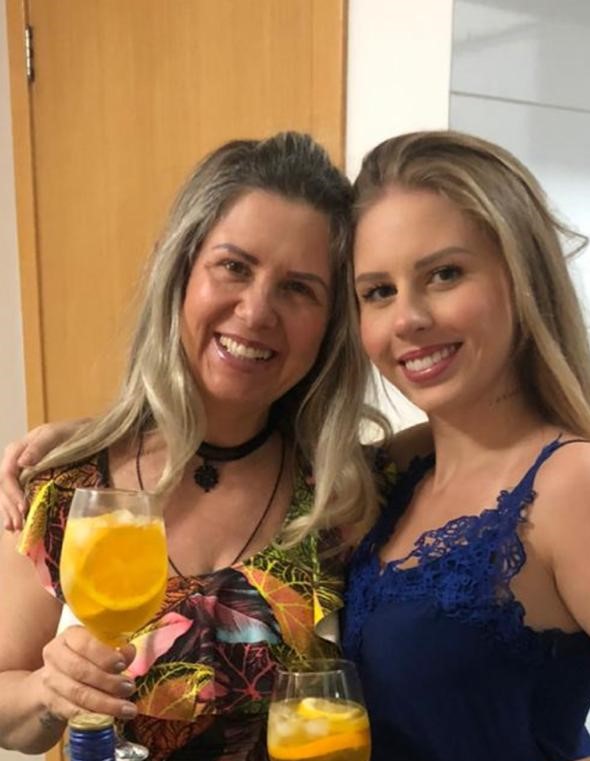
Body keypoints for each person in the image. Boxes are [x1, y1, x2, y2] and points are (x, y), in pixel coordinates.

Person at [0, 131, 391, 761]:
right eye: (234, 266)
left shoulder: (347, 495)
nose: (257, 311)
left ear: (330, 323)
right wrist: (48, 691)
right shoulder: (66, 486)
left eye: (298, 288)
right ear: (179, 271)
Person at [342, 131, 590, 761]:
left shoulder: (572, 483)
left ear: (522, 275)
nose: (407, 318)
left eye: (444, 274)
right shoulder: (402, 471)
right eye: (378, 291)